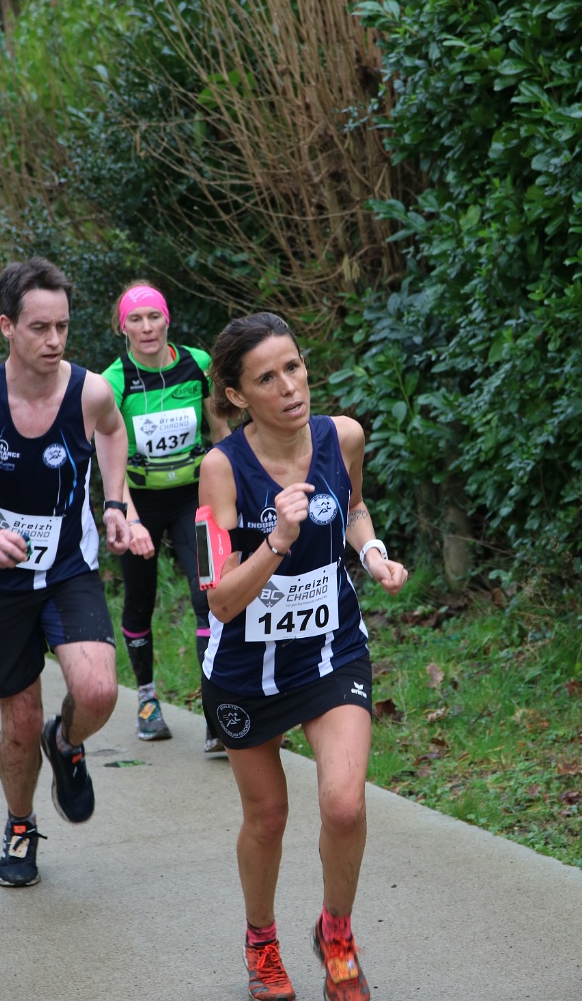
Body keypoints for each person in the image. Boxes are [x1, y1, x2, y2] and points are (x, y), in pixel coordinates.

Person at [199, 312, 408, 1001]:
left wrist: (371, 554)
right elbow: (220, 599)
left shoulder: (342, 436)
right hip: (245, 670)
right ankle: (261, 941)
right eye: (266, 378)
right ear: (236, 395)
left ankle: (336, 936)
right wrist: (277, 541)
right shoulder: (221, 469)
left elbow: (354, 507)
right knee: (267, 819)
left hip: (330, 652)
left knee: (344, 805)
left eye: (293, 367)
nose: (289, 386)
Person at [0, 257, 131, 888]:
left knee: (98, 692)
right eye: (39, 328)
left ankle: (66, 742)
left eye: (63, 327)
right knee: (18, 727)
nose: (54, 341)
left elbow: (113, 432)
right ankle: (20, 825)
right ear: (7, 327)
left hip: (68, 568)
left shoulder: (89, 392)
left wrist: (115, 503)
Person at [102, 283, 230, 749]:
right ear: (123, 328)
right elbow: (110, 461)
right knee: (140, 598)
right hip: (138, 500)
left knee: (209, 595)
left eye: (153, 316)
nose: (146, 327)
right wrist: (130, 520)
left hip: (193, 497)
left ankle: (216, 711)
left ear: (167, 319)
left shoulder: (197, 364)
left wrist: (229, 494)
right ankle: (147, 700)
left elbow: (221, 433)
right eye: (135, 319)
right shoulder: (113, 382)